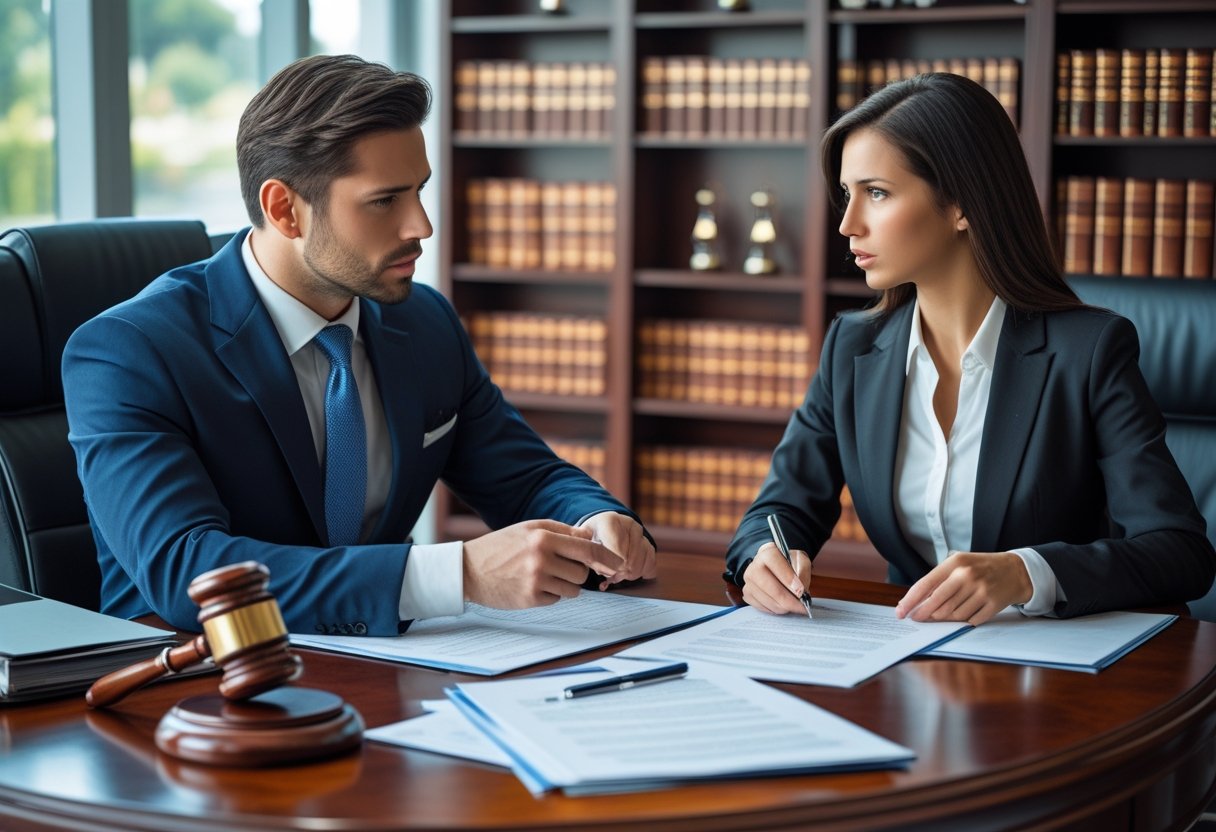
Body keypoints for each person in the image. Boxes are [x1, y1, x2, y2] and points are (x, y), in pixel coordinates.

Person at [63, 54, 656, 635]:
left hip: (386, 672)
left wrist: (592, 516)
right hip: (192, 685)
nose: (421, 226)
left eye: (420, 192)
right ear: (284, 209)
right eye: (385, 201)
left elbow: (524, 479)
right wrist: (460, 572)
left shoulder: (425, 323)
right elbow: (188, 573)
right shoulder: (127, 352)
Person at [726, 72, 1214, 625]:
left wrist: (1025, 572)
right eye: (847, 195)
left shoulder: (1089, 352)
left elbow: (1181, 552)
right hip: (905, 661)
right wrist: (761, 555)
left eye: (877, 193)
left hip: (1052, 676)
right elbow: (779, 509)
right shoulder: (852, 348)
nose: (847, 224)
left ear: (961, 203)